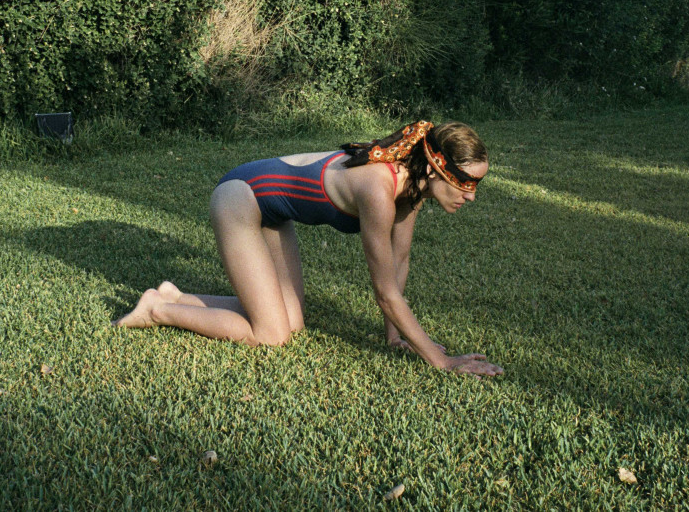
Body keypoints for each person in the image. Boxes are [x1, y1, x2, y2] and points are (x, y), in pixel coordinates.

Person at [113, 120, 503, 378]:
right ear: (436, 168)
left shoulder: (412, 189)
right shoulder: (378, 190)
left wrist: (394, 337)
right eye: (467, 183)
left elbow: (398, 263)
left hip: (273, 210)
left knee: (293, 323)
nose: (471, 196)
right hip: (240, 197)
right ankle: (156, 310)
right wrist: (442, 361)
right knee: (271, 335)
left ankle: (175, 296)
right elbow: (384, 291)